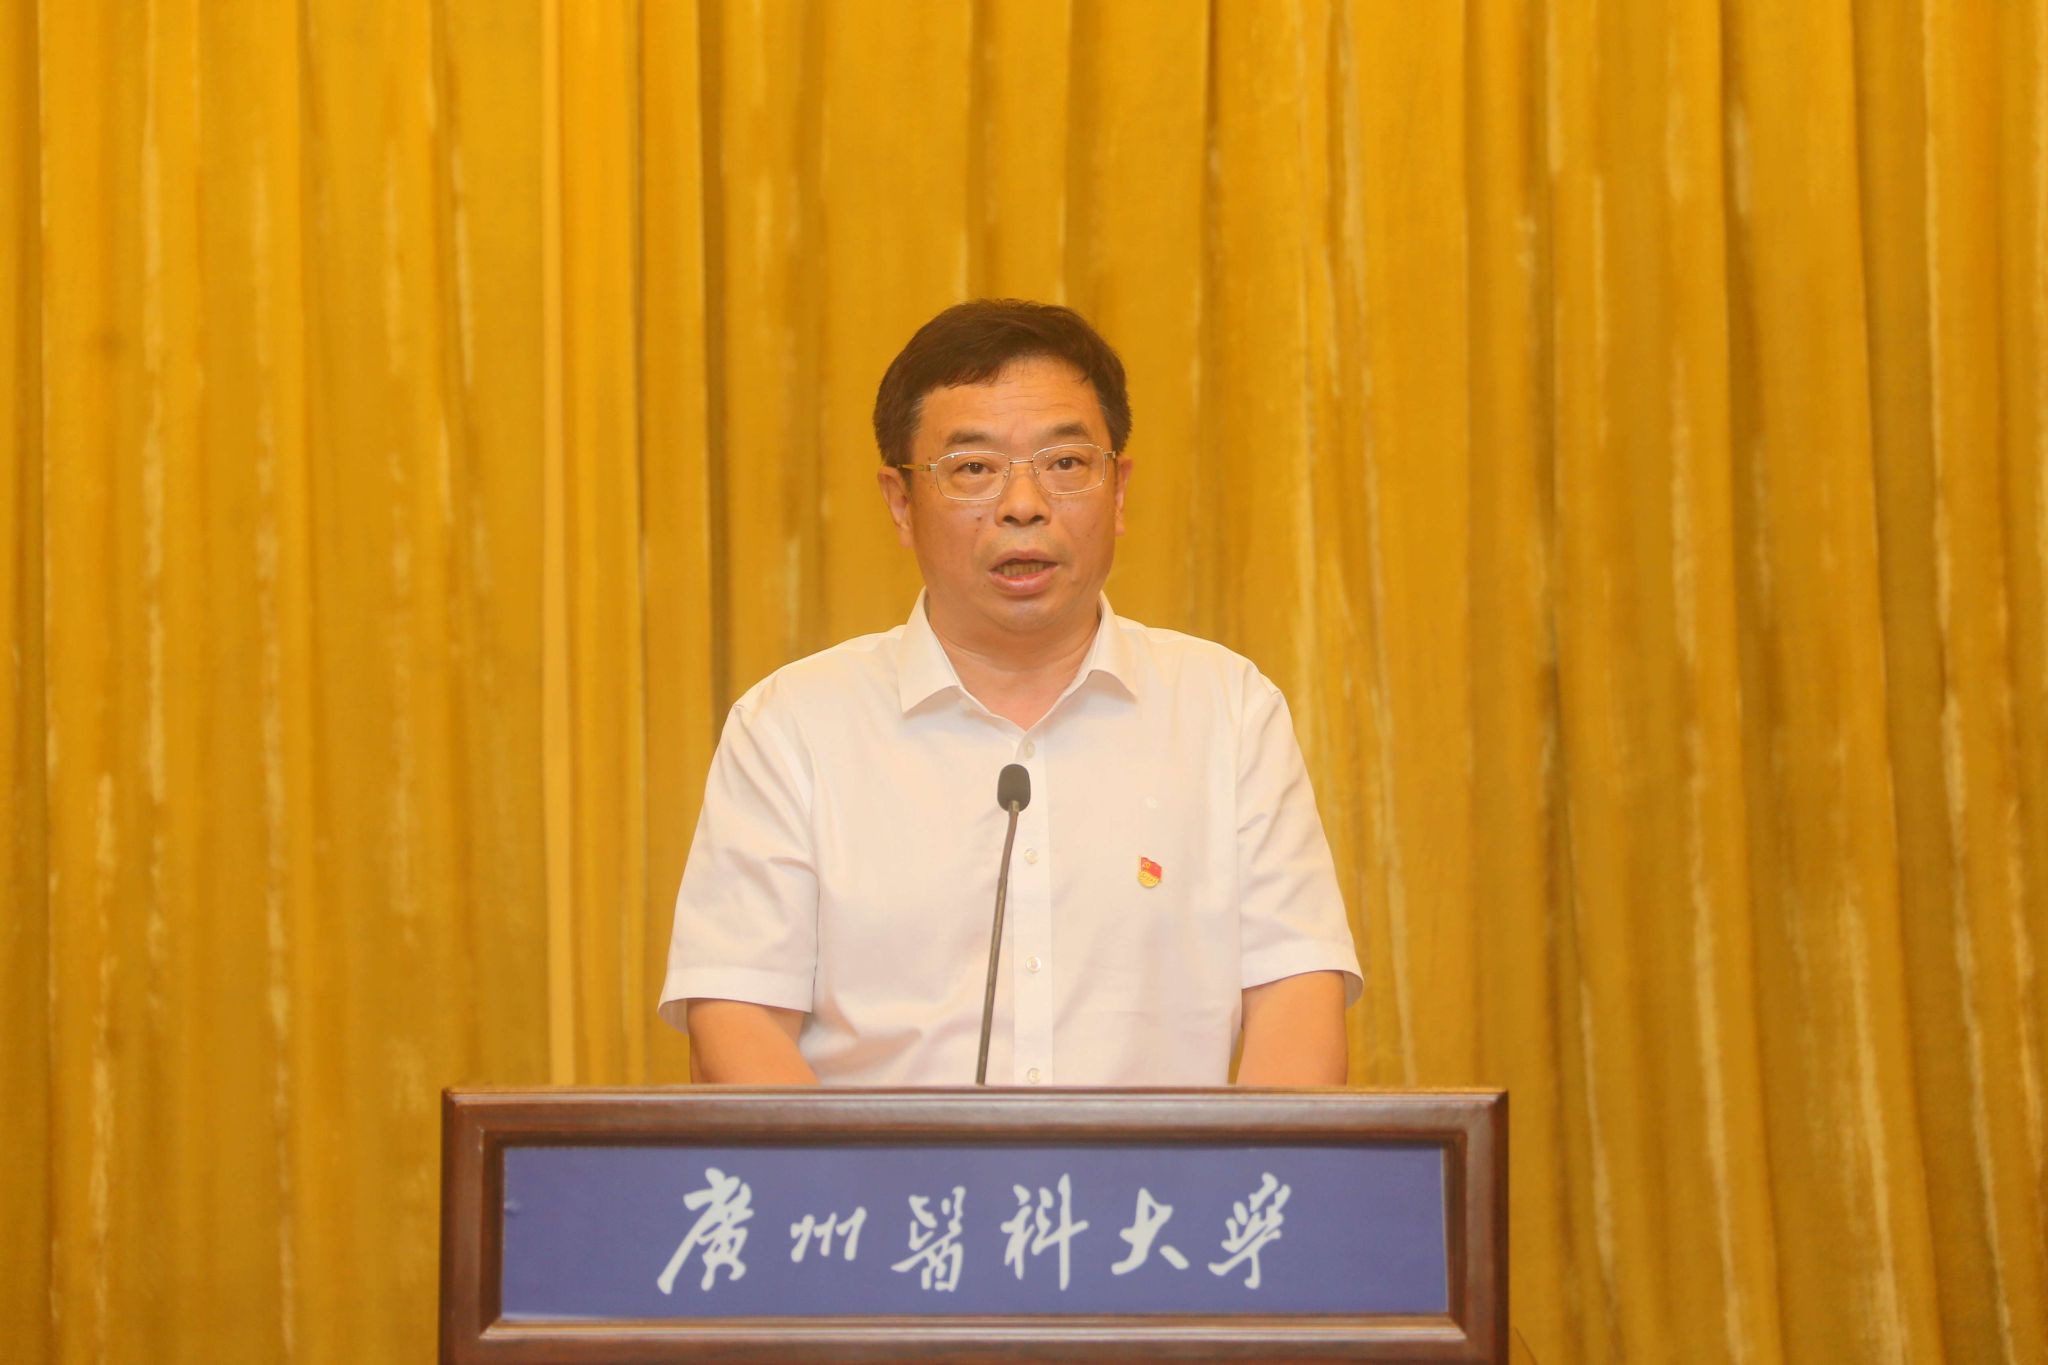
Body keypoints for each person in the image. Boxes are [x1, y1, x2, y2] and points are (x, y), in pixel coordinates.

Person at [659, 299, 1361, 1086]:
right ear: (900, 503)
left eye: (1066, 463)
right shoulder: (792, 727)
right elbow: (738, 1018)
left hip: (1160, 1177)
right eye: (973, 469)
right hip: (878, 1175)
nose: (1023, 504)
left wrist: (1243, 1169)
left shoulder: (1228, 711)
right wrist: (857, 1173)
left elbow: (1297, 998)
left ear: (1119, 491)